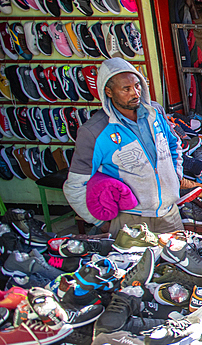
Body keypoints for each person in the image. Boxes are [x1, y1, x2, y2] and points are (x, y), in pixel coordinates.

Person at [64, 58, 186, 234]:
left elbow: (174, 145)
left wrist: (175, 177)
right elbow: (74, 186)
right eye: (126, 89)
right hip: (130, 220)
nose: (135, 93)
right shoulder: (94, 132)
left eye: (137, 85)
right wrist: (100, 222)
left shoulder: (155, 113)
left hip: (169, 216)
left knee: (178, 261)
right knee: (136, 263)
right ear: (109, 92)